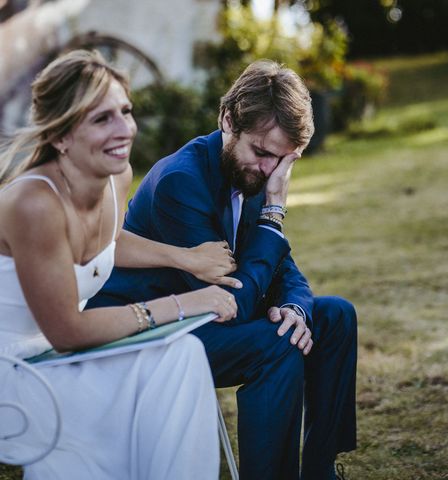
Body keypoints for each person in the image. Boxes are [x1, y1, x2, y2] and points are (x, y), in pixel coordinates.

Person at [89, 60, 358, 479]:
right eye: (263, 153)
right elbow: (230, 305)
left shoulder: (251, 172)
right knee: (277, 344)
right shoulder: (181, 181)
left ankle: (321, 470)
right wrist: (272, 214)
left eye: (282, 162)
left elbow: (284, 268)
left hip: (206, 317)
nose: (271, 172)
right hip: (157, 331)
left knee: (336, 316)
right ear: (227, 120)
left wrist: (296, 309)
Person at [0, 49, 242, 479]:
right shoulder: (33, 203)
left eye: (125, 111)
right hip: (14, 373)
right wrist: (185, 304)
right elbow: (68, 331)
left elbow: (105, 242)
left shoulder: (115, 177)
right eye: (101, 119)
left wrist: (184, 258)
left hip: (54, 355)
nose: (124, 129)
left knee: (181, 355)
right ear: (61, 136)